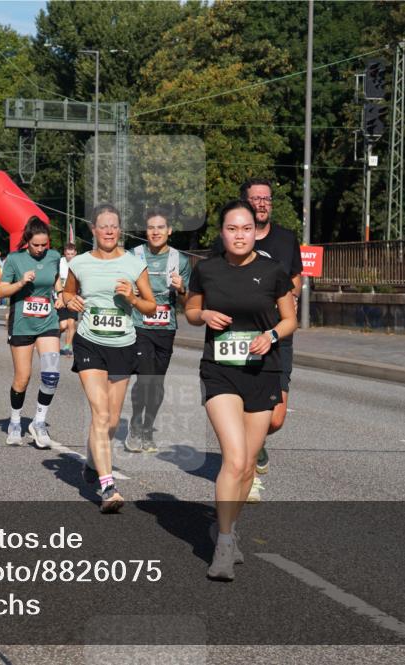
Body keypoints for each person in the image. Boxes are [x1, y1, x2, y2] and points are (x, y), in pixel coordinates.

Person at [186, 200, 297, 580]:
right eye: (232, 228)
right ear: (222, 232)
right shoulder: (207, 270)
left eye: (246, 228)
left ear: (255, 231)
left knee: (249, 464)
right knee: (233, 459)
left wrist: (269, 336)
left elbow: (290, 320)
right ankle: (225, 542)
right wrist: (203, 315)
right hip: (220, 371)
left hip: (263, 371)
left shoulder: (273, 271)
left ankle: (226, 527)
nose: (239, 235)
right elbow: (190, 310)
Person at [63, 204, 156, 513]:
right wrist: (70, 301)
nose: (108, 231)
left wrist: (131, 298)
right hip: (89, 342)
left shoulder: (133, 264)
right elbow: (66, 293)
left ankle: (92, 461)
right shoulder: (80, 263)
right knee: (100, 414)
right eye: (103, 226)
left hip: (123, 344)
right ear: (93, 230)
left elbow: (151, 307)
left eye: (114, 226)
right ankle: (108, 486)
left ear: (120, 230)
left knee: (112, 420)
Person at [220, 178, 304, 502]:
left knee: (276, 417)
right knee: (246, 405)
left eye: (266, 198)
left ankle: (258, 445)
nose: (262, 203)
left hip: (278, 333)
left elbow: (295, 275)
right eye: (255, 198)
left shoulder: (286, 239)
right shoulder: (231, 238)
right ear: (246, 202)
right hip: (242, 334)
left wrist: (289, 296)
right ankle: (249, 474)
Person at [126, 208, 191, 453]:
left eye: (160, 227)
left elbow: (189, 303)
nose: (155, 232)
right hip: (139, 325)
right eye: (151, 227)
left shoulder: (180, 260)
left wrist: (182, 288)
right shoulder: (134, 255)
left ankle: (147, 427)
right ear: (146, 231)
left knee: (157, 382)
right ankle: (134, 424)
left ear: (169, 231)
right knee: (145, 377)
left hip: (165, 328)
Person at [0, 217, 64, 449]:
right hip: (22, 324)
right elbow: (2, 290)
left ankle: (39, 421)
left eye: (44, 245)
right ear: (27, 241)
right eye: (36, 245)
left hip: (48, 323)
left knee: (52, 375)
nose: (40, 249)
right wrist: (21, 283)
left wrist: (62, 293)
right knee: (22, 378)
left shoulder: (54, 257)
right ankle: (15, 422)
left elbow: (55, 281)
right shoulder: (15, 260)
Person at [56, 242, 79, 356]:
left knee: (71, 324)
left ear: (75, 254)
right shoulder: (59, 263)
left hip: (73, 298)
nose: (70, 256)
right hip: (60, 297)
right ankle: (53, 338)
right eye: (68, 254)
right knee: (62, 325)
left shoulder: (79, 264)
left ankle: (67, 347)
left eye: (72, 254)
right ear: (64, 253)